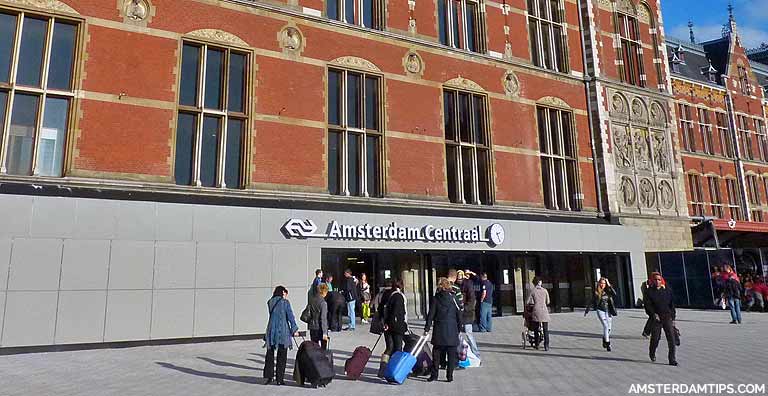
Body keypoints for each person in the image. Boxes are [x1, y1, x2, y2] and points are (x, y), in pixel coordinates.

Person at [425, 277, 462, 383]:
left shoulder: (436, 299)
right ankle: (449, 376)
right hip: (452, 329)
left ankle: (434, 374)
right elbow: (459, 315)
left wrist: (426, 329)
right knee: (451, 354)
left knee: (436, 353)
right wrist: (459, 328)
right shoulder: (454, 298)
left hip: (439, 330)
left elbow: (430, 315)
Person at [263, 286, 299, 385]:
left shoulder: (270, 302)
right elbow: (290, 316)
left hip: (271, 330)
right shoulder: (285, 303)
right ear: (283, 292)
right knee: (282, 356)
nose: (286, 295)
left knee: (270, 355)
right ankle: (280, 379)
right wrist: (294, 329)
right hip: (283, 331)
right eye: (285, 293)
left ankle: (269, 377)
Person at [645, 272, 678, 366]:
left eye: (659, 279)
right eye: (655, 279)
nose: (657, 281)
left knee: (671, 339)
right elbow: (648, 305)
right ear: (652, 280)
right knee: (655, 338)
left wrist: (673, 318)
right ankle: (652, 352)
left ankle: (672, 359)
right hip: (656, 318)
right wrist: (653, 314)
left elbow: (672, 305)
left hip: (667, 317)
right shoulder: (649, 292)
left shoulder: (667, 290)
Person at [584, 277, 617, 352]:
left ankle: (605, 338)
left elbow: (614, 294)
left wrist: (609, 284)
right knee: (605, 326)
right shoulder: (596, 292)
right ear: (599, 284)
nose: (602, 285)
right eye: (601, 283)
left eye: (604, 283)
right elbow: (591, 301)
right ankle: (608, 344)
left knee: (609, 328)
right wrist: (587, 310)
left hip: (608, 311)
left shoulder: (608, 291)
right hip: (600, 310)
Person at [383, 279, 408, 356]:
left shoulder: (387, 294)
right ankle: (396, 366)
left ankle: (384, 365)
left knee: (389, 348)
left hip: (387, 324)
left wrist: (386, 322)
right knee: (398, 348)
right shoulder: (399, 296)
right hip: (397, 325)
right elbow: (400, 312)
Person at [459, 270, 481, 358]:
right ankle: (460, 353)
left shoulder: (469, 284)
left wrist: (465, 308)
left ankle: (476, 353)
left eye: (461, 276)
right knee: (458, 334)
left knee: (469, 333)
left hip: (467, 314)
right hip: (459, 313)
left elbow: (472, 300)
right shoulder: (458, 286)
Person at [526, 277, 550, 351]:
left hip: (536, 311)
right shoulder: (545, 290)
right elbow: (548, 301)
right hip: (544, 311)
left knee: (536, 329)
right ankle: (546, 345)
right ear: (540, 282)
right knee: (545, 329)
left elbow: (528, 301)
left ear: (534, 283)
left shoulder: (532, 291)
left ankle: (537, 344)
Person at [307, 283, 330, 350]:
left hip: (312, 327)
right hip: (320, 328)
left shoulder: (312, 300)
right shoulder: (323, 303)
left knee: (314, 348)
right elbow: (323, 318)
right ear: (324, 292)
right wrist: (325, 333)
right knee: (323, 349)